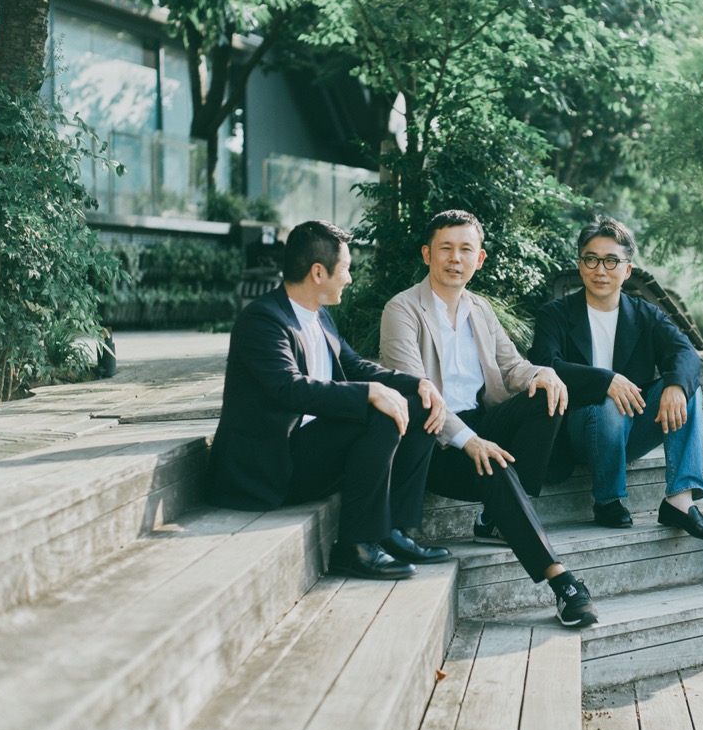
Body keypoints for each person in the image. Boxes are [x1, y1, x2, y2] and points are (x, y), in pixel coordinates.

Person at [379, 210, 599, 627]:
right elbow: (415, 391)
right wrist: (470, 440)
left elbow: (512, 367)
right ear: (427, 254)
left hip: (483, 423)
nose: (455, 258)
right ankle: (562, 582)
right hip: (434, 442)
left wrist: (541, 374)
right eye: (445, 248)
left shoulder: (479, 308)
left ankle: (498, 517)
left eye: (466, 249)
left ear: (479, 259)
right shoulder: (402, 309)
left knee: (548, 394)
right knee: (494, 465)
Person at [207, 220, 451, 581]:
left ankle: (391, 530)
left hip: (310, 449)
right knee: (380, 414)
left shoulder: (318, 314)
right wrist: (368, 393)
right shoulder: (262, 319)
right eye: (346, 269)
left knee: (419, 405)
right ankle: (354, 546)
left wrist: (418, 384)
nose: (349, 278)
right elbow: (288, 388)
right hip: (272, 465)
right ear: (318, 272)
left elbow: (353, 365)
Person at [529, 217, 703, 542]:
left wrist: (675, 387)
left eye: (611, 261)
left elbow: (684, 353)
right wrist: (606, 381)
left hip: (631, 431)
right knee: (608, 401)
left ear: (628, 269)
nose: (600, 270)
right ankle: (608, 501)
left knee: (686, 388)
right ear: (580, 265)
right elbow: (546, 366)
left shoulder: (645, 314)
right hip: (577, 432)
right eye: (591, 259)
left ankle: (680, 499)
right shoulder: (555, 314)